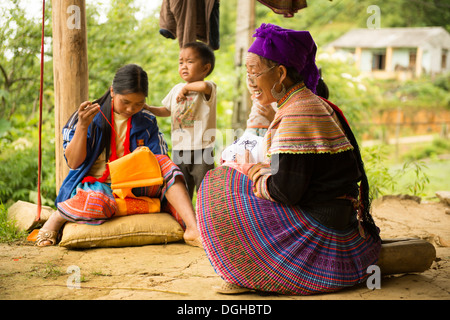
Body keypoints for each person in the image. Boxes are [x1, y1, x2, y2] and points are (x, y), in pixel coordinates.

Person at [196, 23, 381, 295]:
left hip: (323, 221)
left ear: (280, 73)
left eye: (254, 72)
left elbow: (286, 191)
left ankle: (247, 273)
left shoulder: (297, 113)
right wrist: (258, 170)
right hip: (335, 213)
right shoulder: (305, 102)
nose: (250, 81)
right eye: (247, 72)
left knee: (219, 186)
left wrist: (249, 170)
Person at [36, 64, 202, 248]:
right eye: (126, 102)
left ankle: (193, 229)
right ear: (112, 91)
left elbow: (160, 162)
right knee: (96, 202)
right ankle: (58, 217)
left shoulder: (146, 119)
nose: (131, 108)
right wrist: (82, 127)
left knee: (165, 163)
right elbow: (74, 163)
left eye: (138, 103)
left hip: (135, 185)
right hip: (98, 186)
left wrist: (144, 158)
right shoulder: (87, 115)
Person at [146, 42, 217, 199]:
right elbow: (166, 110)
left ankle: (205, 219)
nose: (184, 66)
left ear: (205, 68)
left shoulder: (209, 88)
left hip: (202, 149)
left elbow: (204, 86)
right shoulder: (176, 89)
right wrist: (149, 108)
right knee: (181, 190)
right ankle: (184, 221)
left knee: (206, 191)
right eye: (181, 62)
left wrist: (186, 88)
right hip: (180, 148)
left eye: (190, 62)